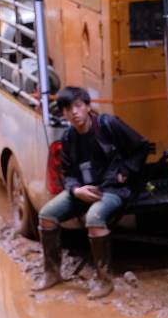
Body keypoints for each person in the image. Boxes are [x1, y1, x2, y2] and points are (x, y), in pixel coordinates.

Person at [35, 85, 152, 299]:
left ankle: (104, 280)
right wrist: (76, 190)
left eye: (79, 106)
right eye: (68, 109)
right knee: (46, 215)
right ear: (63, 113)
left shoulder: (109, 125)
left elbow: (142, 147)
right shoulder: (69, 137)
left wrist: (125, 171)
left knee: (94, 218)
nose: (75, 113)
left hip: (115, 188)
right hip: (83, 189)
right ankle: (51, 273)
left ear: (88, 106)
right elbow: (67, 172)